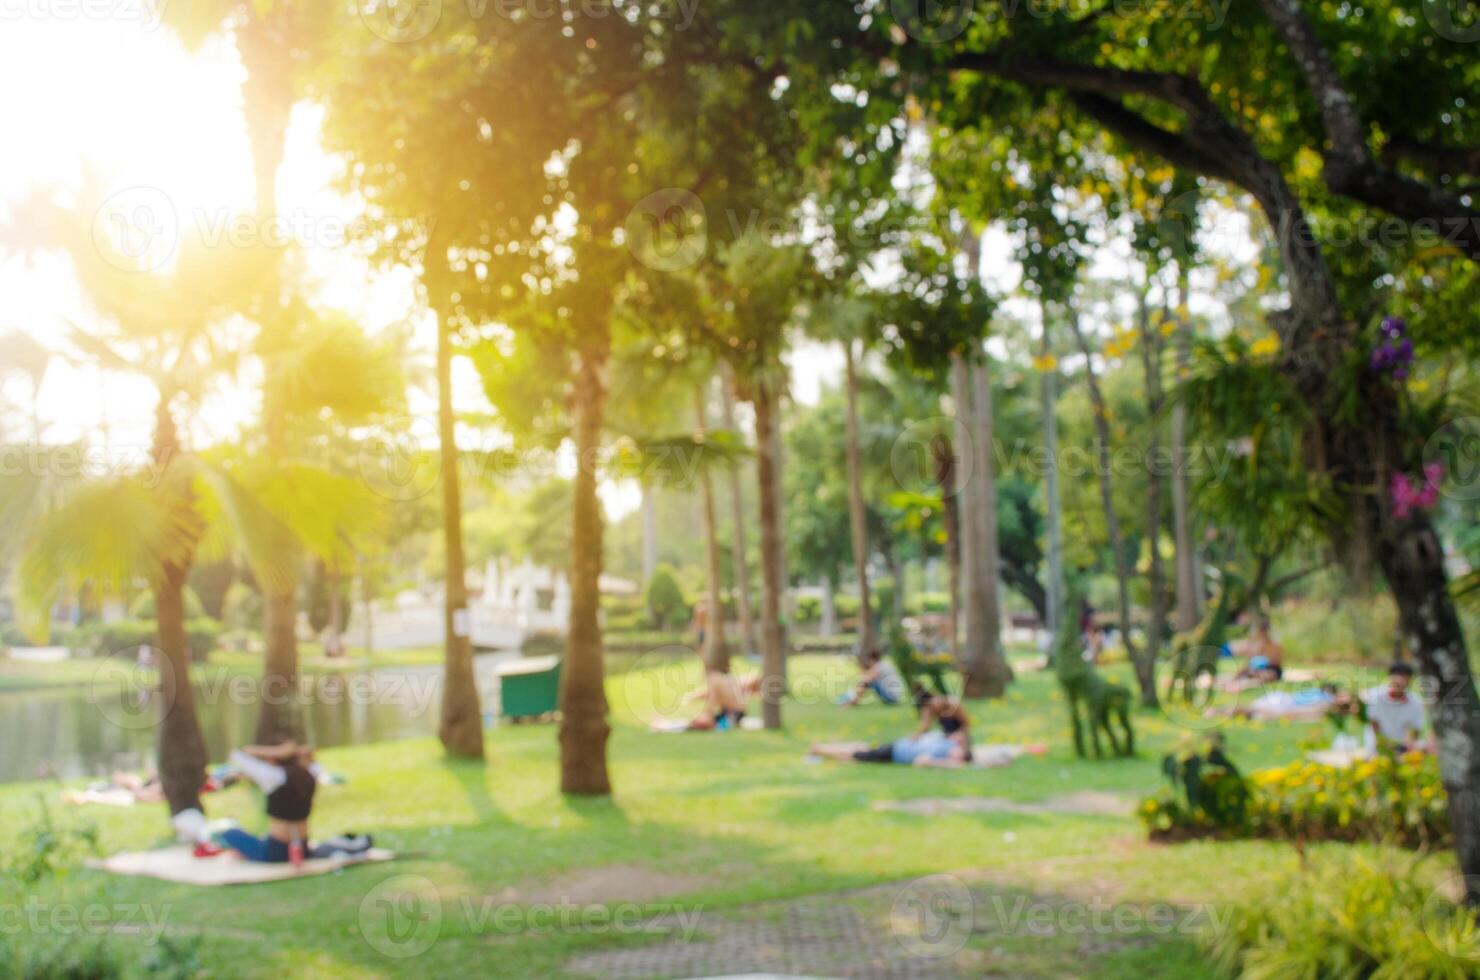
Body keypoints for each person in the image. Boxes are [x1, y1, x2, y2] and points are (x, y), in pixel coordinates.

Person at [212, 741, 369, 863]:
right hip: (303, 848)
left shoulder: (274, 777)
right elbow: (313, 762)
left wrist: (275, 751)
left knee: (230, 833)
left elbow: (236, 755)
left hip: (276, 852)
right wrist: (294, 751)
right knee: (253, 840)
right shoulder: (310, 774)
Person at [1361, 662, 1430, 754]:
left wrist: (1408, 746)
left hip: (1402, 748)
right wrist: (1384, 745)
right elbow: (1374, 725)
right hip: (1377, 747)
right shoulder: (1375, 696)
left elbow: (1415, 730)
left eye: (1404, 677)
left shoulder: (1415, 702)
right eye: (1397, 676)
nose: (1400, 681)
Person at [681, 670, 761, 731]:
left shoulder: (715, 678)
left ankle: (702, 722)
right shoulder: (725, 680)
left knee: (707, 719)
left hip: (731, 715)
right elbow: (709, 693)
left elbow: (711, 706)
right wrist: (693, 697)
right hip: (731, 714)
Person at [837, 649, 906, 707]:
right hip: (895, 696)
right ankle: (851, 699)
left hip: (891, 697)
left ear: (872, 659)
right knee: (868, 682)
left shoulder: (879, 666)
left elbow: (866, 678)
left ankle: (849, 701)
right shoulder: (884, 664)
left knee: (869, 682)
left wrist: (858, 666)